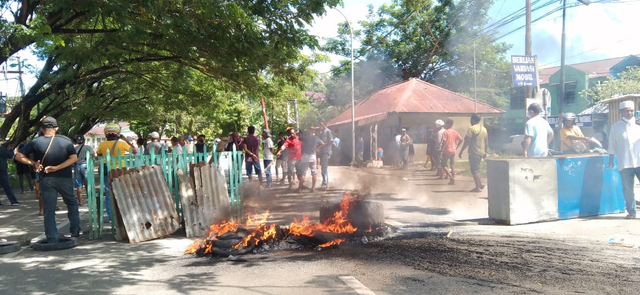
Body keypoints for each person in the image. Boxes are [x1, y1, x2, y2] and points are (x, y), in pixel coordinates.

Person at [15, 117, 81, 242]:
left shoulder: (36, 142)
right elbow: (73, 158)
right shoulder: (66, 141)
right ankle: (75, 230)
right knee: (71, 203)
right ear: (56, 128)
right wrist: (57, 168)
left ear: (41, 128)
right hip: (64, 177)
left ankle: (52, 236)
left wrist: (33, 163)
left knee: (49, 209)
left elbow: (18, 155)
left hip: (46, 179)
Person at [96, 123, 137, 221]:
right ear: (118, 133)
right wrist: (125, 139)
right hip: (120, 171)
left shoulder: (102, 144)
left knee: (109, 193)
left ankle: (111, 216)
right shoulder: (122, 144)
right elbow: (134, 151)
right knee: (123, 191)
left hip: (108, 171)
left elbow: (99, 154)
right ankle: (124, 214)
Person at [608, 100, 640, 219]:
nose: (630, 113)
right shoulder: (616, 127)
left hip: (639, 161)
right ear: (621, 112)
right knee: (627, 189)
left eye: (631, 110)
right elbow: (612, 144)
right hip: (625, 163)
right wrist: (611, 160)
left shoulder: (638, 124)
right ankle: (632, 212)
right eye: (627, 111)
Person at [459, 114, 488, 192]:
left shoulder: (471, 129)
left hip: (473, 152)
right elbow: (486, 142)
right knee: (477, 169)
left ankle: (477, 188)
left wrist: (461, 151)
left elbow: (467, 141)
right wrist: (485, 152)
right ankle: (480, 184)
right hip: (481, 152)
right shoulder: (484, 129)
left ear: (473, 120)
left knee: (474, 170)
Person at [297, 127, 324, 191]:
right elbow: (322, 143)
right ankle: (313, 188)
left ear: (309, 131)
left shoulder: (304, 138)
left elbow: (297, 139)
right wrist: (316, 148)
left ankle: (300, 188)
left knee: (303, 173)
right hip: (313, 156)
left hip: (305, 157)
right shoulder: (316, 138)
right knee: (314, 173)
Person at [73, 134, 95, 206]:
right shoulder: (88, 147)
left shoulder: (75, 149)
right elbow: (93, 156)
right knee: (89, 182)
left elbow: (72, 158)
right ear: (84, 141)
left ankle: (80, 201)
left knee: (78, 184)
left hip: (77, 166)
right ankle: (90, 199)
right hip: (86, 165)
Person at [440, 119, 462, 185]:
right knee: (452, 165)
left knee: (443, 165)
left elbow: (444, 141)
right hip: (453, 150)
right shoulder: (455, 132)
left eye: (446, 124)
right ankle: (453, 179)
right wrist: (457, 146)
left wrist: (442, 149)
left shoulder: (445, 132)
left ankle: (451, 178)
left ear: (448, 124)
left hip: (447, 150)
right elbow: (461, 139)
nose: (445, 125)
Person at [317, 119, 334, 189]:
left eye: (321, 123)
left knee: (324, 168)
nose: (320, 125)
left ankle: (325, 184)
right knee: (323, 167)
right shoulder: (321, 132)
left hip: (326, 151)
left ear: (324, 123)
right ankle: (324, 182)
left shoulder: (328, 131)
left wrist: (324, 145)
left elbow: (331, 141)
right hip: (322, 151)